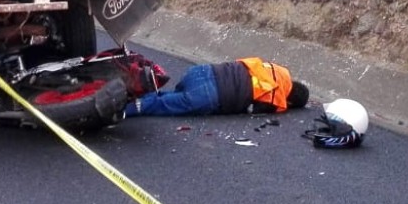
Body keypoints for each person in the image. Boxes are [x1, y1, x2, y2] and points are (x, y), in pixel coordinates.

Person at [124, 57, 309, 117]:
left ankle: (128, 94)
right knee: (160, 105)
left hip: (201, 71)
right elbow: (253, 109)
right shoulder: (276, 98)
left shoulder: (274, 69)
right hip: (209, 95)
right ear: (291, 101)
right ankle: (122, 109)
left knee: (168, 97)